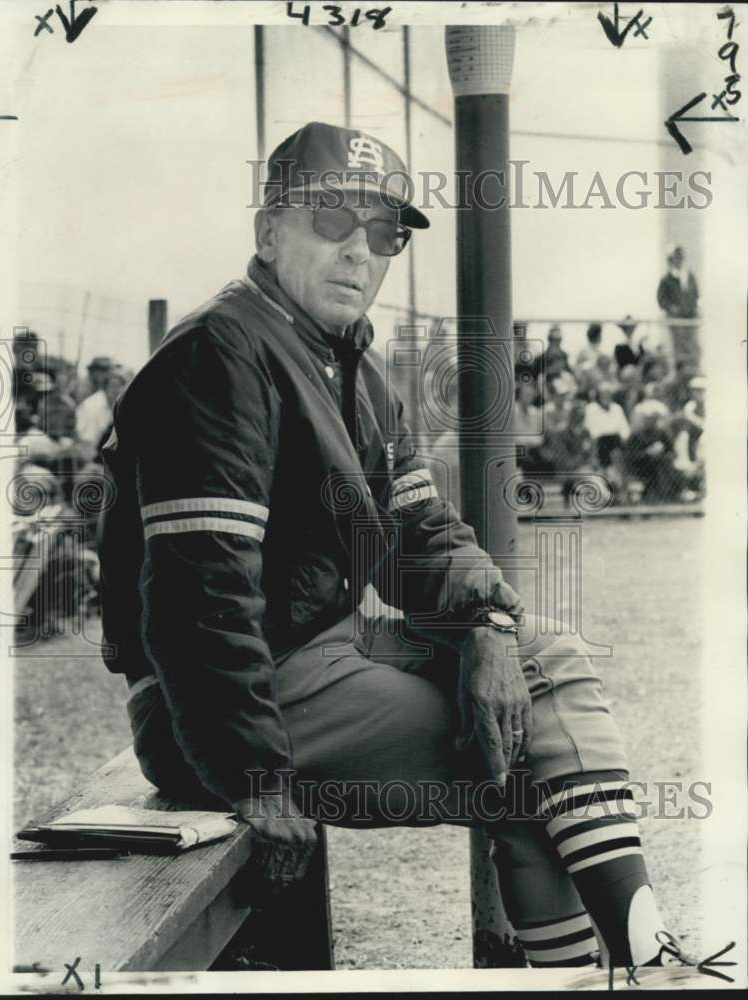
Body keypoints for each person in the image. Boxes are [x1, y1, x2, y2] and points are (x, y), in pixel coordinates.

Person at [96, 122, 732, 978]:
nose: (360, 251)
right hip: (208, 706)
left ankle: (636, 960)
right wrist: (256, 778)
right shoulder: (221, 353)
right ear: (268, 230)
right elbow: (198, 599)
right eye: (333, 221)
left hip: (310, 655)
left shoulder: (342, 357)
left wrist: (487, 628)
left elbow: (418, 535)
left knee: (549, 661)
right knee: (535, 774)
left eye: (385, 233)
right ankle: (641, 966)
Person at [656, 245, 700, 370]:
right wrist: (672, 308)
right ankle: (679, 374)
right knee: (677, 351)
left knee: (692, 349)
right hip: (676, 323)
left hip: (690, 321)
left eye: (681, 257)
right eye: (676, 258)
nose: (679, 260)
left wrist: (692, 308)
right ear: (670, 260)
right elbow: (661, 300)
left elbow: (696, 294)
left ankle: (692, 372)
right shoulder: (666, 279)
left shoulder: (689, 276)